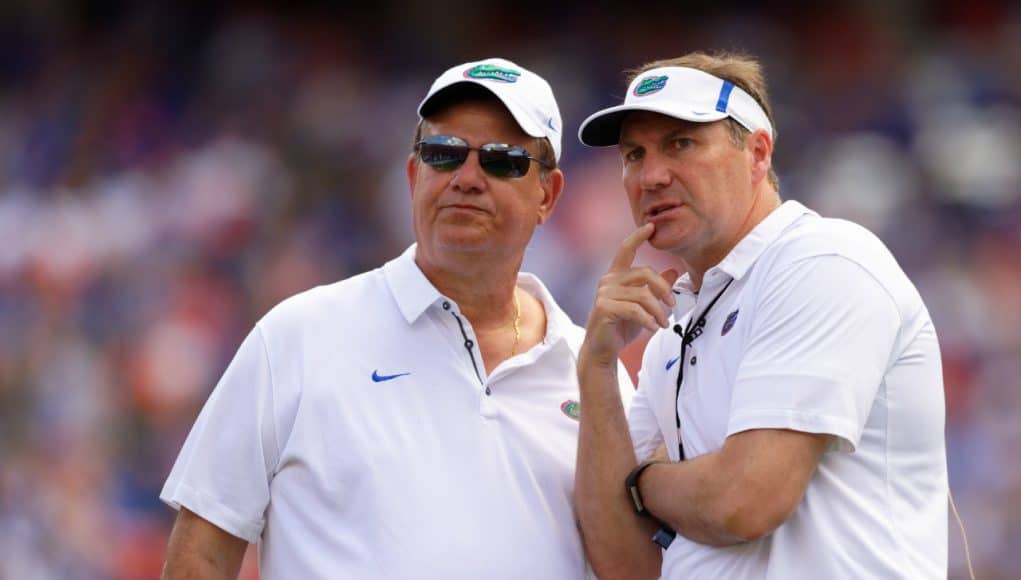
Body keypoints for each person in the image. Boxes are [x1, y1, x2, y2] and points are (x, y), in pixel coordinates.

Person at [159, 57, 633, 579]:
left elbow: (632, 567)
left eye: (501, 160)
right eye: (443, 154)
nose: (467, 178)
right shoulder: (296, 337)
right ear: (414, 175)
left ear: (548, 194)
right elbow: (199, 558)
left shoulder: (593, 374)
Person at [572, 51, 948, 579]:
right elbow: (621, 563)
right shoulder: (668, 336)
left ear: (757, 153)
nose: (651, 175)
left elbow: (744, 500)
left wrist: (643, 481)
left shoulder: (823, 260)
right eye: (634, 154)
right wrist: (596, 368)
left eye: (681, 143)